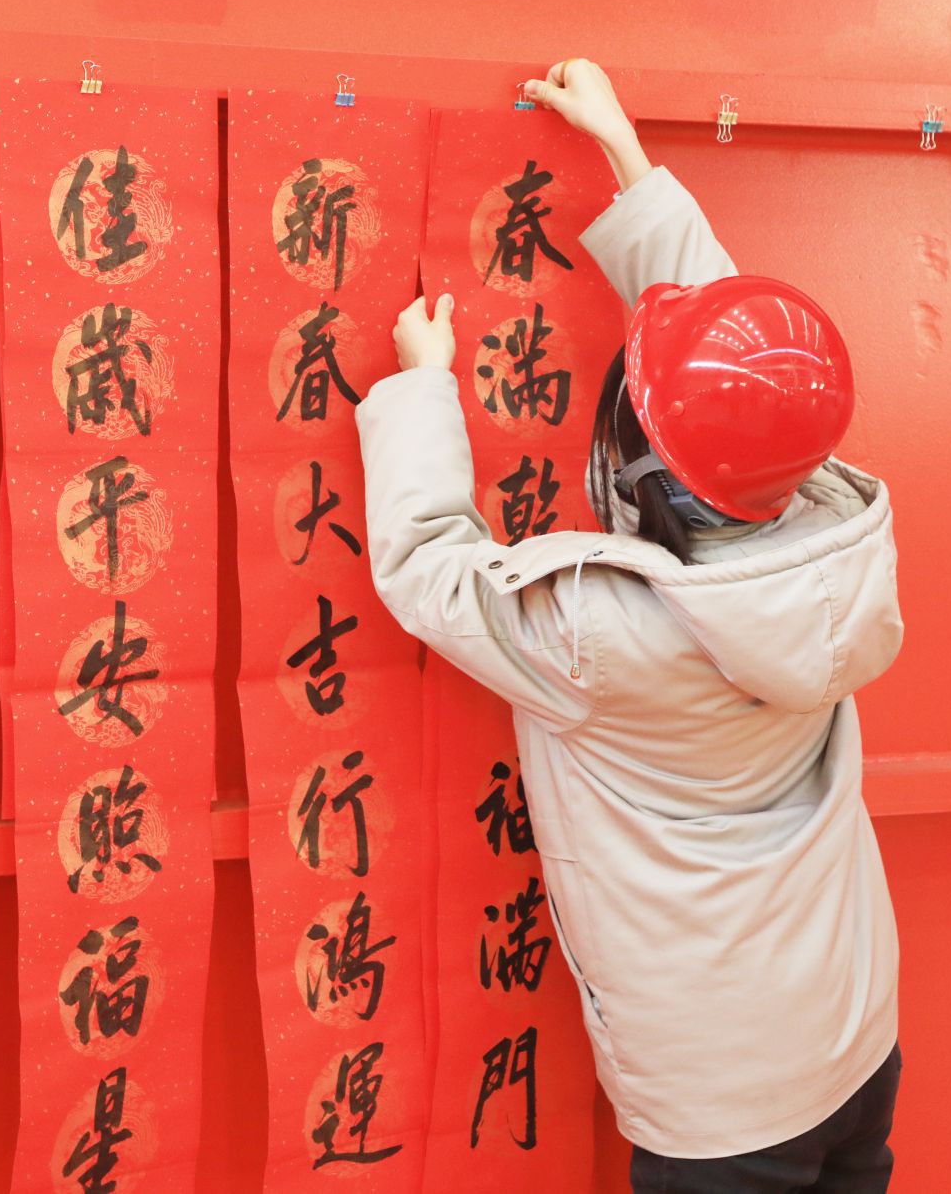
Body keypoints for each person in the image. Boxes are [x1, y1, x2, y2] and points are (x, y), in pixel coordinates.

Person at [353, 59, 907, 1193]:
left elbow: (431, 573)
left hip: (727, 1103)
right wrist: (625, 153)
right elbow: (743, 380)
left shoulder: (606, 631)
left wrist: (420, 388)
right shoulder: (826, 535)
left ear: (643, 468)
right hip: (854, 1034)